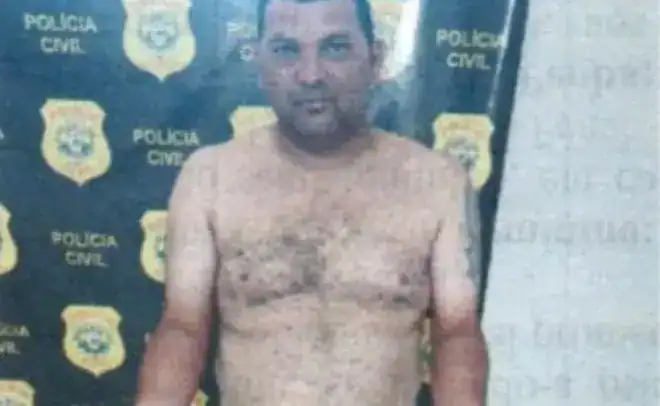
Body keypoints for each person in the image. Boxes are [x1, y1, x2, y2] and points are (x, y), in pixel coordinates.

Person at [134, 0, 488, 405]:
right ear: (260, 62)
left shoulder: (437, 181)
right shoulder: (210, 177)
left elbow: (457, 332)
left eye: (335, 47)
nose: (311, 74)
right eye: (286, 50)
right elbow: (182, 327)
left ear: (375, 60)